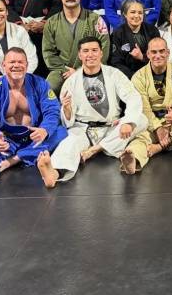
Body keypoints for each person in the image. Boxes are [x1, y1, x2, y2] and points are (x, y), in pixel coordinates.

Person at [36, 37, 147, 186]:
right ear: (80, 55)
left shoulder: (114, 74)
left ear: (101, 53)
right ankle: (54, 173)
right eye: (86, 51)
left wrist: (128, 122)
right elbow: (67, 121)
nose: (90, 55)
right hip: (83, 129)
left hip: (110, 127)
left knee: (141, 120)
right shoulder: (71, 81)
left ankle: (95, 150)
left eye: (94, 50)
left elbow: (133, 97)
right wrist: (67, 110)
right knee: (69, 143)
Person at [0, 47, 68, 192]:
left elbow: (52, 111)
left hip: (35, 137)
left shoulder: (40, 84)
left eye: (20, 62)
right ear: (4, 65)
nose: (16, 65)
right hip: (9, 139)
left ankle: (12, 161)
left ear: (27, 65)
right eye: (12, 62)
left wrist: (44, 130)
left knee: (61, 133)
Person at [123, 38, 172, 173]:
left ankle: (158, 147)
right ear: (148, 54)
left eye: (162, 51)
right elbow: (144, 108)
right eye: (154, 52)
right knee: (142, 135)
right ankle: (133, 157)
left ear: (168, 53)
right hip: (150, 119)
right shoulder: (138, 77)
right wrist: (157, 127)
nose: (158, 55)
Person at [42, 0, 110, 94]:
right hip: (62, 71)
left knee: (97, 92)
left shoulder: (95, 19)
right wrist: (65, 69)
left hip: (91, 68)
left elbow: (104, 48)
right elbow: (48, 52)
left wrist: (81, 70)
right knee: (49, 87)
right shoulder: (51, 22)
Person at [110, 0, 161, 78]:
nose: (136, 16)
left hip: (150, 76)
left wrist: (142, 57)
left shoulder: (152, 31)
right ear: (125, 14)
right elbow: (115, 62)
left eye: (140, 13)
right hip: (126, 79)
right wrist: (134, 77)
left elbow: (159, 57)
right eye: (133, 12)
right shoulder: (117, 34)